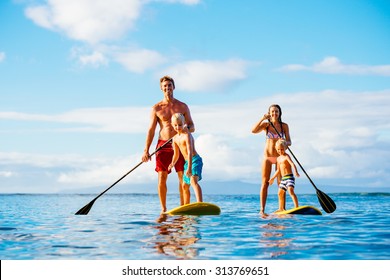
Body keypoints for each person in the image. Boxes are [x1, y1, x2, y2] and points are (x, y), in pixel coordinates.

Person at [142, 76, 195, 213]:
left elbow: (192, 126)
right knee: (162, 176)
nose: (167, 88)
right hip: (163, 145)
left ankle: (184, 207)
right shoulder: (156, 108)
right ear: (161, 88)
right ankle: (163, 209)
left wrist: (185, 129)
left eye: (169, 85)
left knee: (182, 176)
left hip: (179, 143)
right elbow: (151, 130)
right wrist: (146, 150)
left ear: (174, 87)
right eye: (165, 86)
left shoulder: (182, 106)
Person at [251, 104, 292, 216]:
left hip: (280, 158)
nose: (274, 113)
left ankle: (282, 209)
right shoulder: (266, 125)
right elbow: (253, 131)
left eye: (276, 111)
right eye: (272, 111)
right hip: (267, 157)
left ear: (280, 113)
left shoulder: (284, 126)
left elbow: (289, 142)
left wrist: (284, 142)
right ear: (269, 113)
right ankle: (262, 210)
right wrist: (262, 118)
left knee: (281, 183)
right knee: (265, 183)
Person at [168, 113, 203, 204]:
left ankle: (200, 203)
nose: (178, 127)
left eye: (180, 125)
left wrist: (189, 168)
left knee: (193, 181)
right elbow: (176, 154)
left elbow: (190, 152)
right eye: (175, 125)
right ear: (172, 125)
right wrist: (172, 163)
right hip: (187, 162)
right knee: (184, 186)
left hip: (194, 160)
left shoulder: (187, 135)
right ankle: (186, 206)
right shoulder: (175, 138)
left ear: (184, 124)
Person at [269, 139, 300, 211]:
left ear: (285, 148)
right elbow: (278, 170)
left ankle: (296, 207)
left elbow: (292, 164)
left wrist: (296, 172)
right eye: (278, 149)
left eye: (282, 149)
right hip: (283, 179)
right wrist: (272, 178)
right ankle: (281, 208)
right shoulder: (278, 159)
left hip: (289, 177)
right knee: (280, 193)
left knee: (290, 191)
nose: (280, 151)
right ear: (276, 149)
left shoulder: (287, 156)